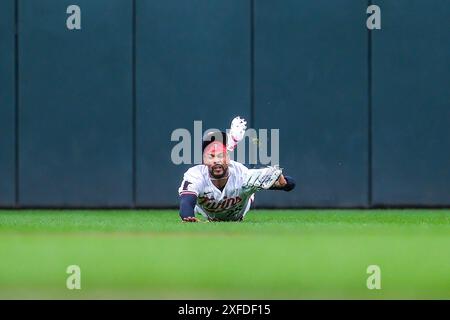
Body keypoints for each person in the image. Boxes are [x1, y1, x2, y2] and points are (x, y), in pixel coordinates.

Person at [178, 130, 295, 222]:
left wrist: (283, 183)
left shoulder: (242, 175)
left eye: (221, 155)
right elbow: (186, 202)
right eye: (211, 156)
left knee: (249, 186)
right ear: (203, 160)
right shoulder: (196, 174)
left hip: (238, 212)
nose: (217, 161)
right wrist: (188, 216)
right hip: (204, 212)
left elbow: (290, 184)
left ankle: (250, 194)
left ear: (228, 158)